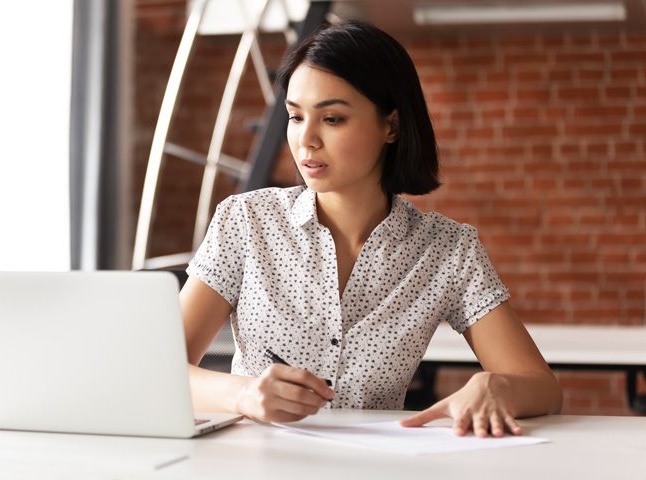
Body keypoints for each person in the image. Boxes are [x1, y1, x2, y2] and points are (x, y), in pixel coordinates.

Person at [180, 20, 562, 438]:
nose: (305, 140)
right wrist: (244, 395)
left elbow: (541, 387)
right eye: (295, 116)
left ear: (391, 126)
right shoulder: (245, 221)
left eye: (332, 118)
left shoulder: (448, 249)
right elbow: (154, 370)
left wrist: (494, 384)